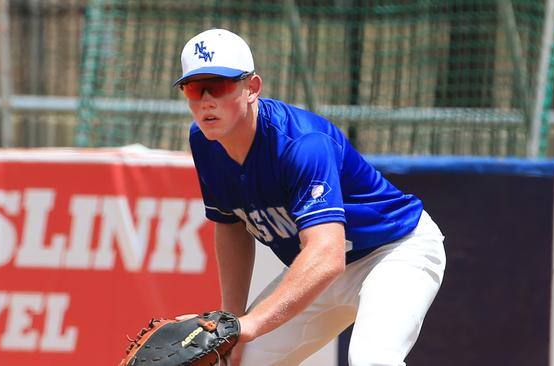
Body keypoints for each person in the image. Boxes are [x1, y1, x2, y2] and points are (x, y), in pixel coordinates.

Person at [174, 28, 446, 366]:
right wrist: (231, 322)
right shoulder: (204, 141)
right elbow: (230, 223)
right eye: (194, 88)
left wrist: (252, 324)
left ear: (252, 88)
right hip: (321, 268)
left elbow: (326, 253)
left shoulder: (301, 143)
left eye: (219, 85)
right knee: (234, 361)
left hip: (393, 251)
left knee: (371, 359)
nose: (206, 100)